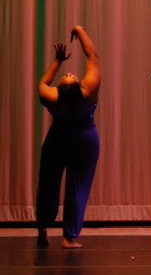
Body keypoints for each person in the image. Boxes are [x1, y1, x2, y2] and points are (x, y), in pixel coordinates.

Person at [36, 25, 101, 248]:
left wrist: (58, 61)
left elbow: (43, 83)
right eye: (69, 76)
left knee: (48, 184)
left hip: (58, 140)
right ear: (79, 86)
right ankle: (68, 237)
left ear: (59, 90)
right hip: (85, 140)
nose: (69, 73)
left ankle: (43, 228)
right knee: (78, 186)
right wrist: (80, 30)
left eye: (66, 77)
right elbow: (92, 55)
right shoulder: (89, 91)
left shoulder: (51, 97)